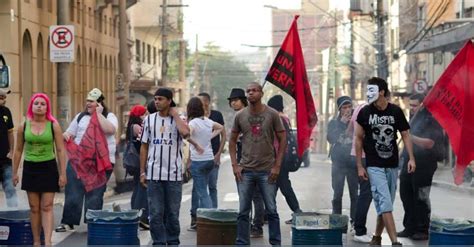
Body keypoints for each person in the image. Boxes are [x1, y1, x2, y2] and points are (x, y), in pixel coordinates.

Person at [354, 77, 416, 245]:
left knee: (385, 204)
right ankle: (395, 241)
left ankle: (377, 237)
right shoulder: (364, 112)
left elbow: (405, 134)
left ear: (381, 92)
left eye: (371, 90)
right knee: (386, 202)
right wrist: (360, 166)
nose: (368, 93)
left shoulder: (395, 111)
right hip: (374, 165)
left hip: (392, 165)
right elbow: (358, 139)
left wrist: (411, 158)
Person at [229, 82, 286, 245]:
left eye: (254, 91)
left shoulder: (272, 114)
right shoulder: (240, 116)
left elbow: (283, 139)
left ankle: (276, 243)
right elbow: (232, 141)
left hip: (267, 170)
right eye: (248, 91)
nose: (250, 93)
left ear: (261, 93)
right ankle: (242, 243)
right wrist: (235, 165)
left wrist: (277, 166)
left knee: (272, 210)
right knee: (243, 212)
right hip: (245, 170)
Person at [56, 88, 118, 232]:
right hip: (79, 162)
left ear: (100, 103)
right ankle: (68, 221)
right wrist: (65, 136)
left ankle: (93, 222)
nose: (88, 104)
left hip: (101, 163)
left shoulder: (109, 116)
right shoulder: (80, 117)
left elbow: (110, 130)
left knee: (95, 193)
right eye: (87, 101)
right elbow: (69, 133)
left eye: (92, 101)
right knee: (72, 191)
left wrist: (98, 114)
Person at [12, 93, 67, 245]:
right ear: (31, 106)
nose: (39, 106)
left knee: (47, 206)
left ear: (47, 107)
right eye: (37, 103)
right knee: (34, 207)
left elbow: (61, 150)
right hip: (30, 168)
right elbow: (17, 151)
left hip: (48, 167)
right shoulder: (23, 126)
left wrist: (63, 173)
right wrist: (14, 173)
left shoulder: (53, 125)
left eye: (43, 104)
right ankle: (37, 241)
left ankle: (48, 241)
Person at [139, 88, 190, 245]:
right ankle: (159, 243)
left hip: (173, 176)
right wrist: (142, 171)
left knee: (173, 214)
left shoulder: (178, 120)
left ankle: (173, 242)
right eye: (155, 99)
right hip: (154, 175)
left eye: (160, 99)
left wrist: (175, 115)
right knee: (155, 214)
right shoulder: (149, 120)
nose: (156, 101)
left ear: (169, 100)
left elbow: (186, 134)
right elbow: (144, 146)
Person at [398, 93, 443, 241]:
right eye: (410, 105)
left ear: (422, 104)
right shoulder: (413, 118)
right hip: (408, 162)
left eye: (414, 105)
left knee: (421, 197)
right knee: (406, 194)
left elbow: (429, 143)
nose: (411, 108)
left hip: (424, 164)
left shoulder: (432, 120)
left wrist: (410, 137)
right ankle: (409, 227)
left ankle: (422, 229)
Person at [228, 88, 265, 238]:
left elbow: (257, 134)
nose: (233, 103)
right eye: (231, 101)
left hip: (253, 161)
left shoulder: (250, 114)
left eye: (235, 100)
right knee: (245, 196)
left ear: (242, 101)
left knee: (255, 196)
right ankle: (248, 225)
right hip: (241, 161)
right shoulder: (238, 116)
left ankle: (257, 226)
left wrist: (241, 137)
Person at [187, 97, 224, 231]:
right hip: (209, 160)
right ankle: (208, 218)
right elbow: (220, 128)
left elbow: (186, 135)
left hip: (198, 161)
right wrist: (209, 137)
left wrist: (196, 144)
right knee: (206, 190)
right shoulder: (208, 121)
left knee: (202, 192)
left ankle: (211, 220)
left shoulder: (193, 123)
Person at [267, 95, 303, 224]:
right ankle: (268, 213)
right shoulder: (285, 118)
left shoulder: (278, 119)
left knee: (283, 185)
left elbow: (277, 140)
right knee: (274, 185)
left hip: (279, 157)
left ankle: (297, 212)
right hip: (283, 157)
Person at [327, 96, 358, 228]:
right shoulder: (334, 122)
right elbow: (331, 138)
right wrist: (341, 124)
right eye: (344, 107)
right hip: (338, 163)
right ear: (339, 110)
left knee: (354, 194)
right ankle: (337, 221)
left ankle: (356, 222)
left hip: (353, 162)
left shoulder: (357, 121)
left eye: (349, 107)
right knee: (337, 193)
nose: (347, 110)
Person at [348, 101, 373, 243]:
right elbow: (361, 135)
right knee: (365, 193)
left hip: (355, 155)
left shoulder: (358, 107)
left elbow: (351, 129)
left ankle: (358, 227)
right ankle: (359, 230)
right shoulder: (367, 110)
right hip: (363, 157)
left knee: (363, 193)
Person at [197, 92, 226, 208]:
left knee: (212, 186)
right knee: (200, 188)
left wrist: (218, 154)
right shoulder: (196, 117)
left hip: (213, 157)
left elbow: (223, 135)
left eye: (199, 101)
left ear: (207, 102)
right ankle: (199, 215)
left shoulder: (217, 115)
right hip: (199, 158)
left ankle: (214, 212)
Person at [127, 104, 149, 230]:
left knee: (137, 187)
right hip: (138, 161)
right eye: (143, 113)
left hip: (136, 161)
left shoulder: (133, 125)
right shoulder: (136, 127)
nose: (145, 116)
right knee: (141, 188)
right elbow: (145, 138)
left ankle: (134, 213)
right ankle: (137, 213)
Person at [0, 89, 18, 207]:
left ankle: (13, 212)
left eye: (4, 97)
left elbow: (10, 133)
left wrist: (11, 151)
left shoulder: (6, 112)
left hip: (5, 158)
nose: (4, 100)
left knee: (10, 187)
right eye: (1, 97)